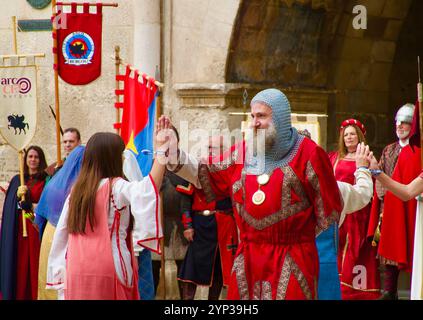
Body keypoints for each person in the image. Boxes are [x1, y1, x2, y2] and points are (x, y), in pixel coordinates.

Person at [163, 88, 344, 300]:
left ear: (280, 118)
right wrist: (174, 153)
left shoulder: (310, 154)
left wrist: (298, 237)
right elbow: (205, 174)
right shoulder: (242, 152)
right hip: (248, 258)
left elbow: (329, 210)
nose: (254, 122)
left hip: (293, 258)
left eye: (261, 116)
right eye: (252, 116)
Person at [46, 130, 167, 300]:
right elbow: (147, 189)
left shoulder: (77, 191)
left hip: (76, 266)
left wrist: (58, 270)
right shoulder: (116, 187)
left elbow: (62, 232)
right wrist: (162, 151)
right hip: (109, 265)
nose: (124, 158)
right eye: (120, 153)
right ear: (111, 157)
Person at [178, 136, 238, 300]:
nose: (210, 151)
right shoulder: (197, 168)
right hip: (200, 227)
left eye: (215, 148)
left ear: (225, 151)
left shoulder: (231, 170)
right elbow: (185, 201)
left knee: (218, 270)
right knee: (191, 269)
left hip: (224, 227)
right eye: (209, 147)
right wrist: (188, 225)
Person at [328, 119, 380, 300]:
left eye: (352, 134)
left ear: (359, 136)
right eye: (346, 134)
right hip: (340, 213)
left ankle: (356, 293)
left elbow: (375, 184)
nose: (349, 137)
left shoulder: (368, 157)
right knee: (336, 250)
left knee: (356, 252)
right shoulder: (334, 158)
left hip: (360, 213)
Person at [367, 103, 415, 300]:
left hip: (413, 203)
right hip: (390, 205)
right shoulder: (389, 150)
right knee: (388, 247)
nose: (400, 126)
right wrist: (385, 197)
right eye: (398, 122)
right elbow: (380, 174)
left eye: (405, 123)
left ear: (413, 126)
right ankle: (389, 290)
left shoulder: (418, 151)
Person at [34, 145, 85, 300]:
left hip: (49, 235)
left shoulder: (54, 182)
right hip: (67, 239)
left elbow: (38, 219)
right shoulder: (79, 187)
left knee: (49, 281)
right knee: (63, 287)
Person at [0, 146, 48, 300]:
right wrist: (17, 196)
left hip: (35, 228)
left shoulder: (45, 181)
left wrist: (29, 204)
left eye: (36, 157)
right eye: (30, 157)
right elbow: (10, 208)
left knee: (35, 265)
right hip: (18, 229)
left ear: (40, 160)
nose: (33, 160)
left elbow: (43, 207)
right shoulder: (17, 179)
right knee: (19, 266)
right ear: (26, 160)